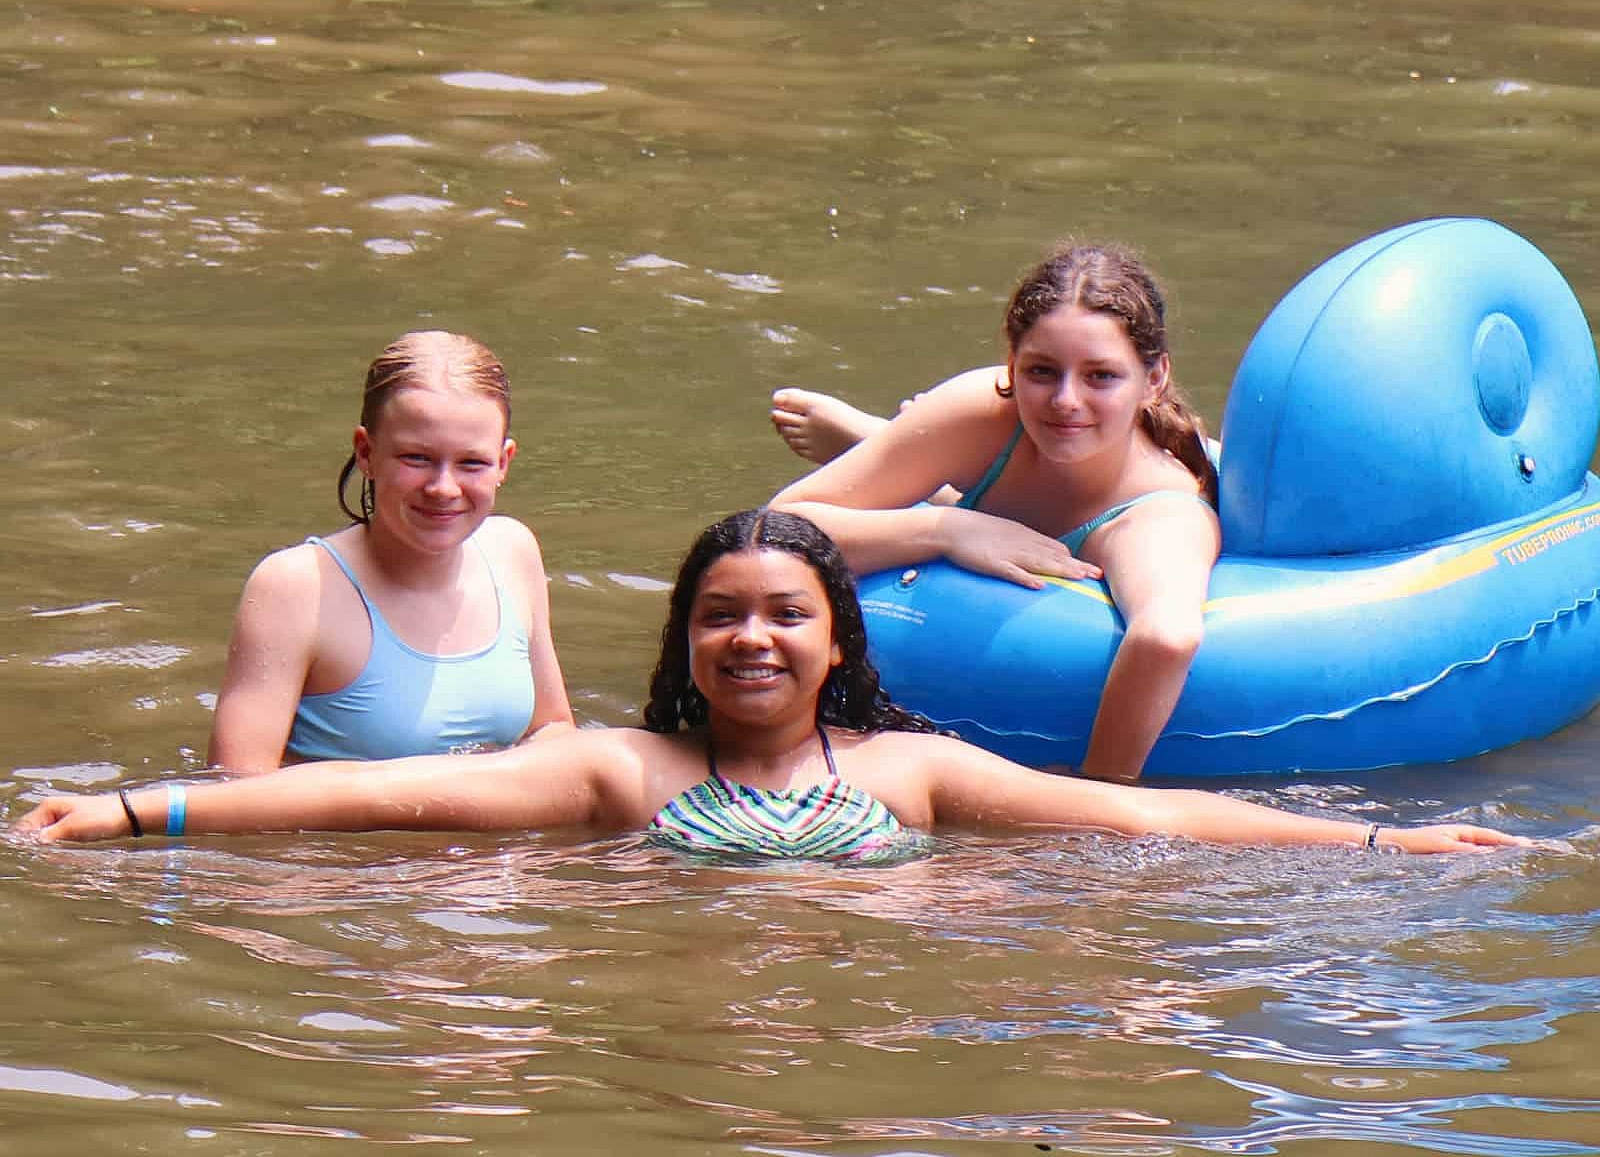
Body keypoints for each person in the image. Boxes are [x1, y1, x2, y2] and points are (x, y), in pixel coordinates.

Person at [17, 510, 1525, 858]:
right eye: (721, 617)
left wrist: (1383, 844)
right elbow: (359, 796)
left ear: (833, 645)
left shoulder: (908, 777)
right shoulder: (615, 774)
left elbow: (1142, 831)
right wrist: (132, 819)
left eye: (784, 618)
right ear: (684, 644)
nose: (751, 640)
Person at [769, 243, 1218, 783]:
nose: (1065, 401)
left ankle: (885, 445)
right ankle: (901, 454)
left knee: (941, 479)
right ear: (1011, 366)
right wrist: (947, 530)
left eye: (1101, 376)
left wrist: (1100, 787)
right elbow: (777, 530)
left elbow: (1166, 637)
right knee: (947, 486)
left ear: (1154, 378)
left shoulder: (1163, 516)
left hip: (1103, 509)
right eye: (1041, 372)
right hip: (989, 469)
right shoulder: (988, 411)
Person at [206, 330, 574, 773]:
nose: (443, 488)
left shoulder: (512, 550)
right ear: (366, 452)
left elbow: (552, 730)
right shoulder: (295, 587)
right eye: (416, 458)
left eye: (471, 463)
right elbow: (236, 791)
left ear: (503, 463)